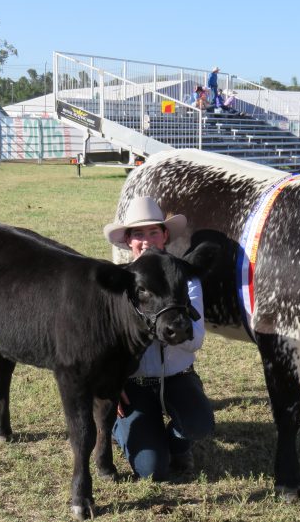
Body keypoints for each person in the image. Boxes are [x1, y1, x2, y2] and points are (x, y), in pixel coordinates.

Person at [103, 196, 214, 481]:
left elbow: (196, 338)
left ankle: (178, 444)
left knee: (199, 424)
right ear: (128, 240)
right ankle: (121, 427)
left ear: (165, 235)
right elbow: (105, 342)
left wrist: (167, 328)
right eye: (138, 234)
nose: (147, 240)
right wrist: (111, 383)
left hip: (178, 375)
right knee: (152, 469)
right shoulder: (120, 281)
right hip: (134, 384)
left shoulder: (185, 277)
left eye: (153, 231)